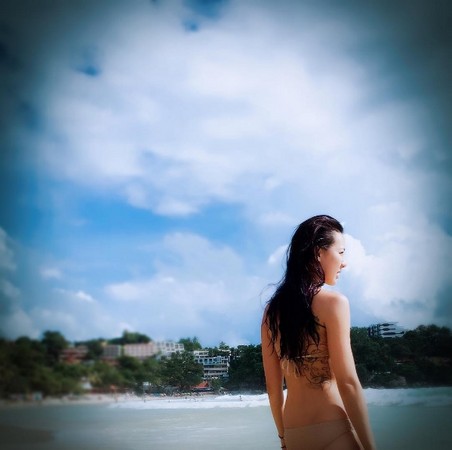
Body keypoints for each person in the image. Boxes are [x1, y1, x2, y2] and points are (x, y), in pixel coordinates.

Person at [261, 215, 376, 450]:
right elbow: (348, 383)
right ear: (318, 253)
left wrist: (283, 439)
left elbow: (273, 390)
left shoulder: (271, 313)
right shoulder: (334, 304)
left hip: (294, 435)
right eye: (341, 252)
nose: (344, 263)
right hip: (333, 430)